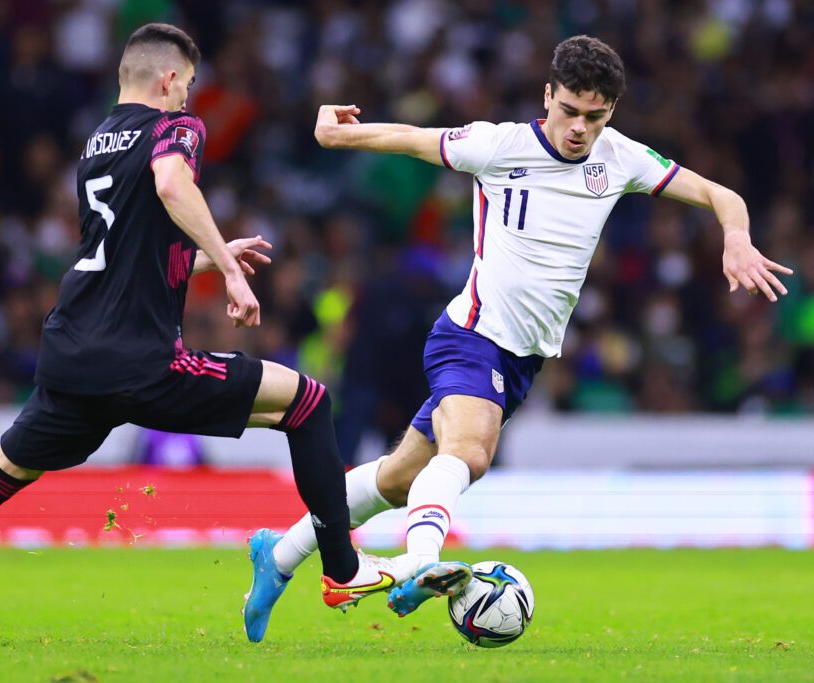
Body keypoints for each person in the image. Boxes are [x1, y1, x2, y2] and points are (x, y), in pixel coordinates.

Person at [0, 23, 422, 648]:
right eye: (187, 84)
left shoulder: (97, 144)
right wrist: (227, 267)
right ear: (168, 80)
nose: (189, 97)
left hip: (71, 355)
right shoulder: (176, 128)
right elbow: (172, 183)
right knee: (308, 402)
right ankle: (342, 571)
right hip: (139, 359)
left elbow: (124, 255)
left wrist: (211, 255)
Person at [242, 34, 792, 642]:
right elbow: (412, 138)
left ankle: (279, 555)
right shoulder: (500, 145)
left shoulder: (622, 158)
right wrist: (335, 134)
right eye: (570, 111)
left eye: (595, 117)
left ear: (611, 110)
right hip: (471, 336)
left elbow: (721, 194)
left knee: (398, 479)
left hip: (523, 359)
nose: (579, 128)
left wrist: (735, 236)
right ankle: (418, 563)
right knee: (471, 453)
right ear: (548, 95)